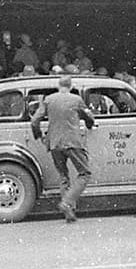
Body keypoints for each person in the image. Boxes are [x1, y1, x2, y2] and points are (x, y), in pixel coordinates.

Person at [30, 74, 95, 223]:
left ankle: (69, 211)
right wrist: (90, 125)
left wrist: (39, 135)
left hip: (54, 143)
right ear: (71, 86)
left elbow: (34, 120)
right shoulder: (76, 100)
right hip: (73, 141)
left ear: (58, 85)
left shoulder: (49, 100)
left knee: (63, 175)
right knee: (84, 173)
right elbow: (89, 118)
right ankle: (67, 202)